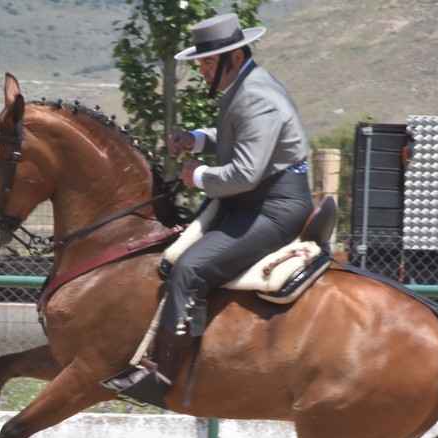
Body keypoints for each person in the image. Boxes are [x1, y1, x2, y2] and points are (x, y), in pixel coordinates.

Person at [103, 12, 313, 406]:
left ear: (234, 57)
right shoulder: (247, 85)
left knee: (191, 267)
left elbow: (246, 171)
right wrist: (197, 140)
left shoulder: (257, 96)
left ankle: (163, 375)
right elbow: (240, 138)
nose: (201, 70)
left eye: (208, 62)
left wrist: (198, 176)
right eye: (200, 62)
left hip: (273, 207)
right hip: (254, 200)